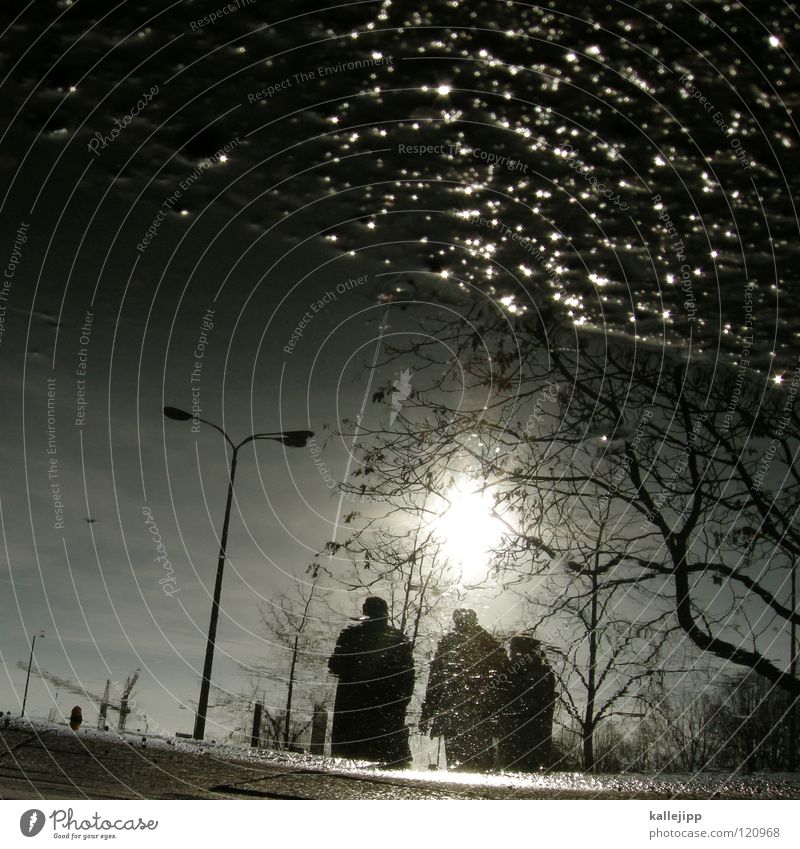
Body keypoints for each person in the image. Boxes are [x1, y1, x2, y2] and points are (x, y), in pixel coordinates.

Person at [328, 596, 415, 766]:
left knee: (350, 761)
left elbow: (335, 664)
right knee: (382, 762)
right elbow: (408, 675)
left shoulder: (351, 635)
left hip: (356, 708)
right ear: (386, 614)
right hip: (383, 709)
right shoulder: (397, 638)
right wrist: (401, 702)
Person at [420, 608, 510, 771]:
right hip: (479, 713)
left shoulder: (450, 642)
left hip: (458, 713)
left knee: (459, 765)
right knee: (478, 766)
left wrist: (428, 713)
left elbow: (436, 680)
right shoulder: (489, 642)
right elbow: (504, 678)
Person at [498, 635, 556, 771]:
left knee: (520, 769)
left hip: (524, 731)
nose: (511, 655)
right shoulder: (541, 672)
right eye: (511, 651)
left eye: (514, 651)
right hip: (525, 732)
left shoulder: (533, 674)